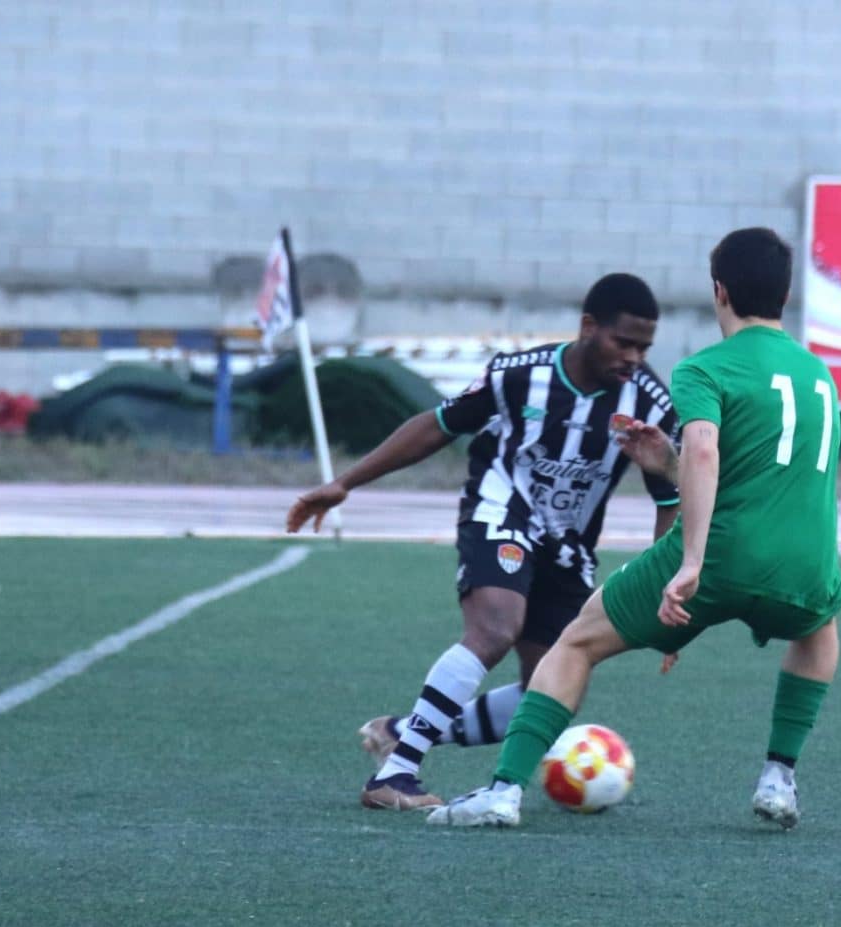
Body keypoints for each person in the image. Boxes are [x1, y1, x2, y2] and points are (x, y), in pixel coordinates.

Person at [427, 227, 841, 830]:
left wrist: (691, 561)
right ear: (785, 295)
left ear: (719, 291)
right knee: (819, 631)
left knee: (576, 642)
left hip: (720, 559)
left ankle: (502, 791)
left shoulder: (704, 370)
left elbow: (705, 452)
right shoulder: (819, 377)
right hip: (807, 565)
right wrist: (665, 464)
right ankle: (779, 777)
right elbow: (767, 472)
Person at [286, 273, 680, 811]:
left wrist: (668, 588)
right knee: (495, 627)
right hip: (502, 510)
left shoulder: (651, 404)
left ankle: (402, 732)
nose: (634, 357)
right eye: (623, 342)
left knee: (551, 685)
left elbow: (668, 500)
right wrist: (344, 483)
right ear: (589, 327)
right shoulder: (520, 375)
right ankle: (395, 775)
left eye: (644, 347)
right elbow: (437, 425)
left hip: (568, 548)